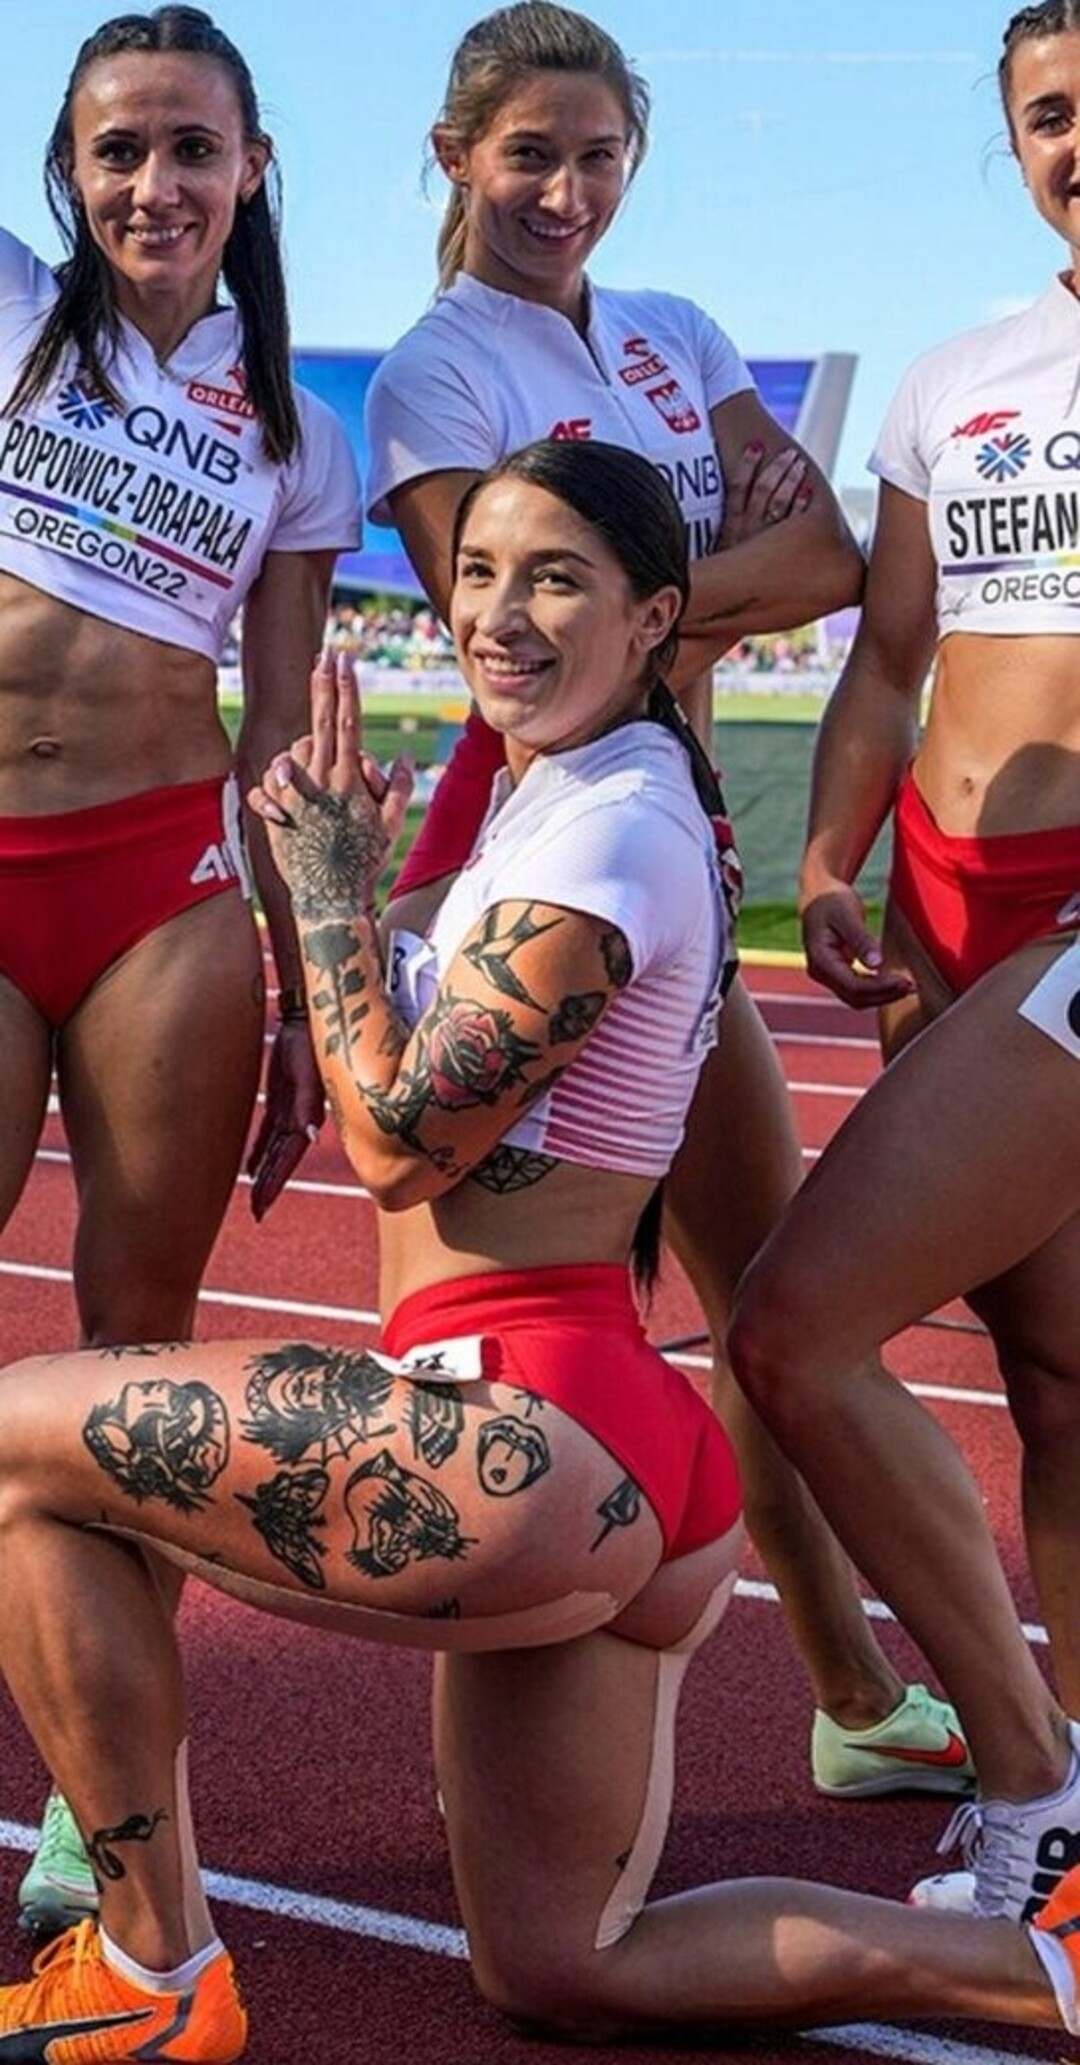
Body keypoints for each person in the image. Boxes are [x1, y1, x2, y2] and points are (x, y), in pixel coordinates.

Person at [0, 439, 1075, 2060]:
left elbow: (397, 1137)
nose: (500, 612)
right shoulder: (563, 799)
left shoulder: (611, 833)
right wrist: (366, 909)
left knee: (17, 1452)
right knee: (568, 1964)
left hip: (523, 1430)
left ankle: (153, 1971)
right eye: (481, 573)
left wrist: (331, 900)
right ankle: (1042, 1969)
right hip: (599, 1454)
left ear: (655, 619)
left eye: (557, 578)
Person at [361, 0, 971, 1803]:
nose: (566, 190)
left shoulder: (677, 333)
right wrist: (677, 588)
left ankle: (852, 1696)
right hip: (529, 845)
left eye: (600, 156)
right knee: (496, 1289)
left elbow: (832, 556)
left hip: (670, 837)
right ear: (456, 157)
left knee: (769, 1299)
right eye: (529, 155)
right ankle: (513, 1732)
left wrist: (638, 592)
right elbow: (510, 634)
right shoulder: (429, 376)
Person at [0, 4, 360, 1938]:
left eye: (192, 147)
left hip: (164, 896)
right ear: (67, 174)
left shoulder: (300, 425)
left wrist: (301, 988)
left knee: (133, 1365)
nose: (154, 181)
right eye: (118, 148)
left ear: (252, 170)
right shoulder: (8, 311)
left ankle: (105, 1791)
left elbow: (280, 735)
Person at [729, 0, 1080, 1922]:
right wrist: (832, 853)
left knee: (802, 1320)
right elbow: (887, 654)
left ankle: (1039, 1789)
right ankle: (1069, 1812)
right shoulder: (958, 377)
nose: (1075, 140)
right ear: (1015, 145)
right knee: (1055, 1379)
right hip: (951, 903)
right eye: (1048, 113)